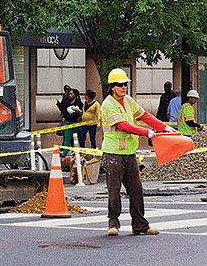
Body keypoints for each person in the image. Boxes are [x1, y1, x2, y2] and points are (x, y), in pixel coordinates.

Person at [100, 68, 178, 236]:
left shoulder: (128, 100)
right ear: (112, 86)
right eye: (120, 85)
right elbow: (123, 126)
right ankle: (113, 223)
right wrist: (146, 132)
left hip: (129, 152)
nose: (123, 87)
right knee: (114, 190)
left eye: (125, 84)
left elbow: (144, 115)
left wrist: (163, 127)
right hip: (113, 153)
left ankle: (140, 225)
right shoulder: (108, 105)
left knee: (136, 189)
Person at [61, 88, 83, 156]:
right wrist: (64, 117)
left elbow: (81, 112)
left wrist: (77, 111)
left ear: (75, 95)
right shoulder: (67, 102)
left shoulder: (79, 103)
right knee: (67, 138)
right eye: (69, 94)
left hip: (76, 123)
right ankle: (65, 152)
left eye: (71, 94)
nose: (70, 95)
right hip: (68, 122)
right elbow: (64, 111)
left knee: (77, 138)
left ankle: (78, 151)